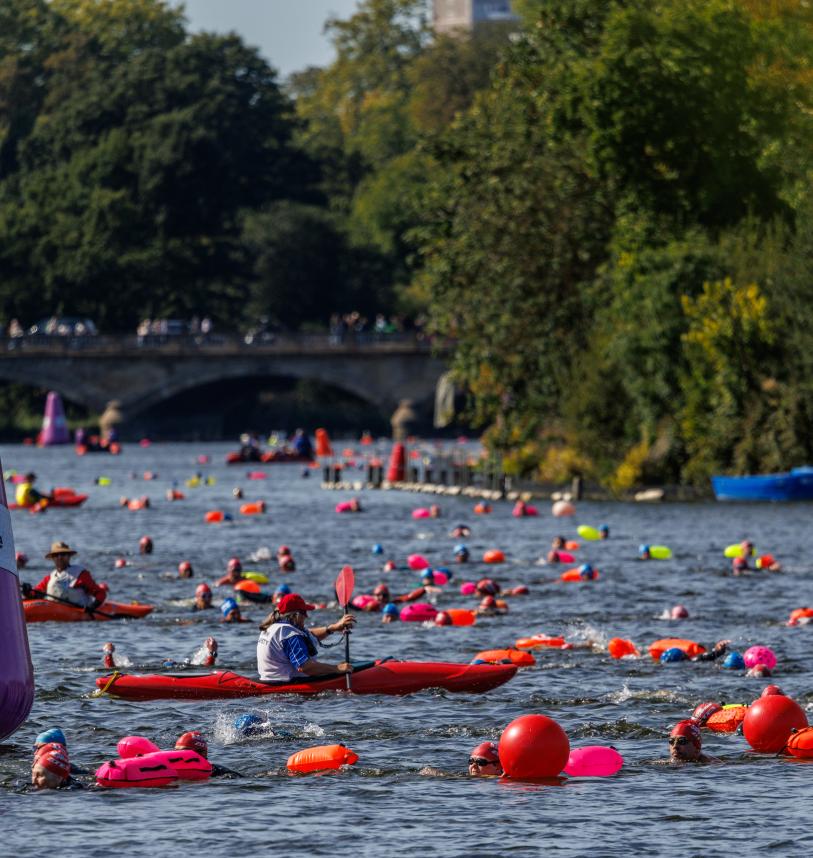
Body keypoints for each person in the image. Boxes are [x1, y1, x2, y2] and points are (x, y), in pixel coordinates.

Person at [256, 593, 356, 682]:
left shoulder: (272, 627)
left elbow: (307, 636)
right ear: (296, 615)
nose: (306, 616)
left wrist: (332, 628)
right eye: (304, 613)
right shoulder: (290, 635)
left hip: (269, 680)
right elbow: (306, 668)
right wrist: (337, 669)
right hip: (289, 689)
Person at [24, 542, 108, 612]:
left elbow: (101, 593)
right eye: (56, 555)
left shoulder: (81, 574)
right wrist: (27, 591)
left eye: (63, 554)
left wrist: (92, 607)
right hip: (53, 611)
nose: (59, 557)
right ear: (52, 558)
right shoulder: (49, 578)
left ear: (69, 556)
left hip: (79, 611)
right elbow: (35, 594)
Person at [175, 731, 242, 778]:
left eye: (182, 752)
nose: (177, 756)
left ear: (201, 753)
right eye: (176, 752)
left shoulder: (219, 773)